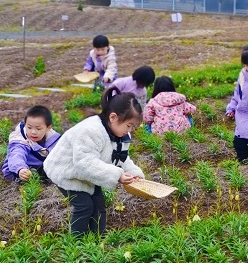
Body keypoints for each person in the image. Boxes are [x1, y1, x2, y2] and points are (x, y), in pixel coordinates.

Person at [44, 87, 145, 237]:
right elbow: (84, 162)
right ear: (113, 117)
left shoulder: (121, 134)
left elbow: (122, 158)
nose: (130, 130)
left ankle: (99, 239)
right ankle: (76, 244)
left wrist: (135, 174)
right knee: (84, 206)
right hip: (65, 171)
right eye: (129, 125)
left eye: (132, 126)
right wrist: (118, 175)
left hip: (87, 172)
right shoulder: (91, 131)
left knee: (98, 205)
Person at [2, 105, 61, 184]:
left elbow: (61, 155)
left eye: (38, 128)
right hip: (17, 170)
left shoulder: (54, 138)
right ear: (25, 124)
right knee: (29, 174)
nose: (33, 132)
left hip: (40, 167)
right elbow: (17, 155)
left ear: (48, 128)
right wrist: (20, 169)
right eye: (29, 127)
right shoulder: (20, 139)